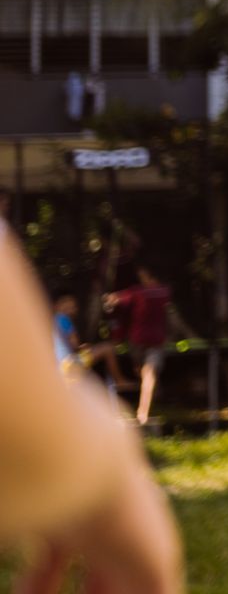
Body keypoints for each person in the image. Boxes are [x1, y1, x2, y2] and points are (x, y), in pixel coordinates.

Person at [0, 226, 184, 593]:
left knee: (107, 356)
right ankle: (126, 389)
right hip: (63, 383)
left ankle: (125, 386)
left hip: (62, 379)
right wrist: (110, 471)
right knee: (105, 356)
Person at [104, 265, 174, 426]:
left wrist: (109, 300)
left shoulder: (137, 292)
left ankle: (143, 412)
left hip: (139, 341)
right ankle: (146, 403)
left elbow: (114, 300)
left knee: (147, 373)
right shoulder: (165, 292)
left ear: (148, 276)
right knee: (147, 374)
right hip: (153, 340)